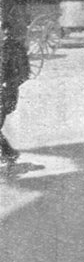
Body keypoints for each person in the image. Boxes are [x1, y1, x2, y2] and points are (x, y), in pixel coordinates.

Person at [0, 21, 31, 165]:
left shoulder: (15, 48)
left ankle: (9, 153)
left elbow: (24, 73)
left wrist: (10, 84)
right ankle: (9, 153)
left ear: (6, 30)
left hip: (6, 94)